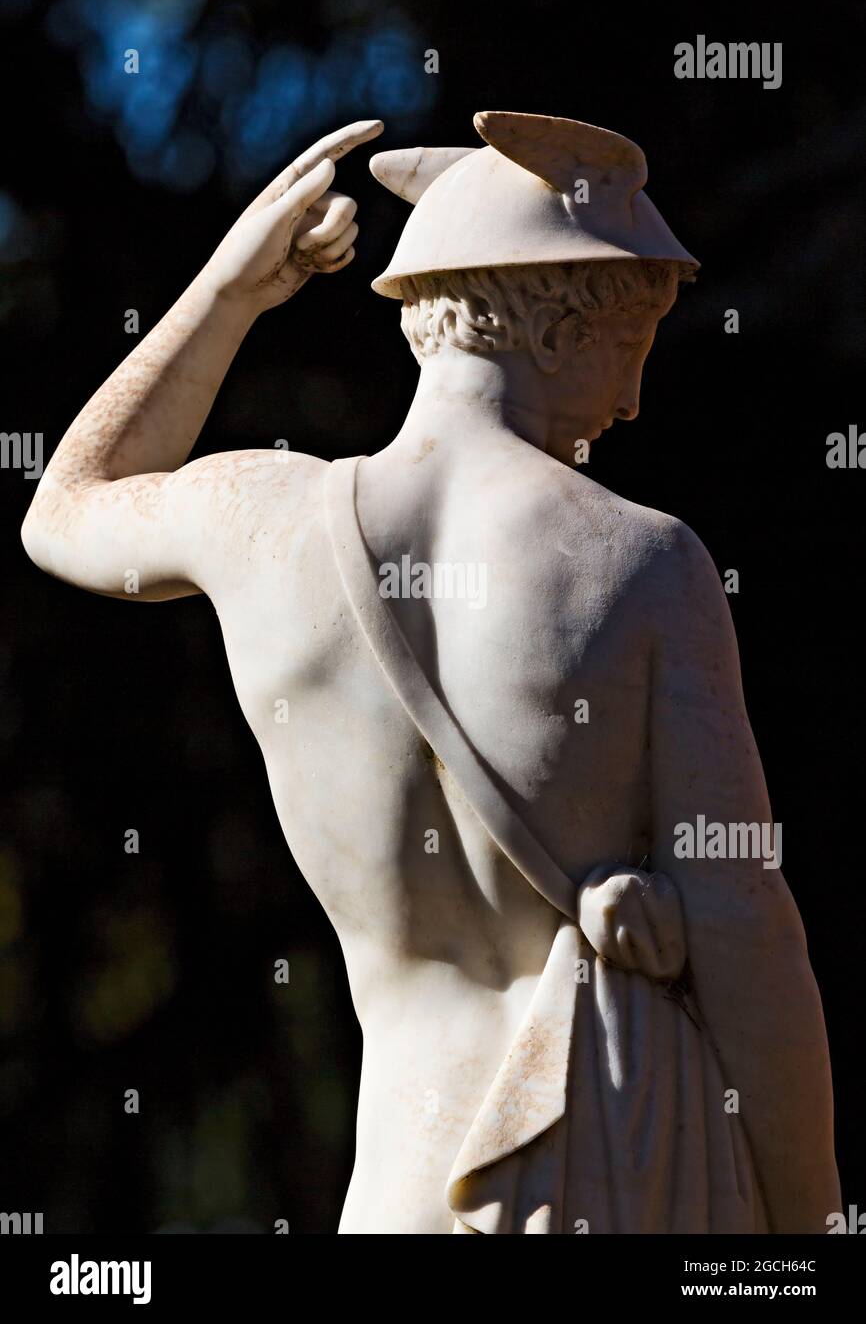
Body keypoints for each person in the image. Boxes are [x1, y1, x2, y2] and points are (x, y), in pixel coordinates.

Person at [21, 112, 840, 1234]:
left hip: (401, 1190)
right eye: (627, 343)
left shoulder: (260, 519)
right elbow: (746, 930)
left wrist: (228, 290)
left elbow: (61, 506)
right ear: (558, 325)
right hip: (597, 1182)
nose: (634, 399)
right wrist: (807, 1230)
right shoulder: (645, 560)